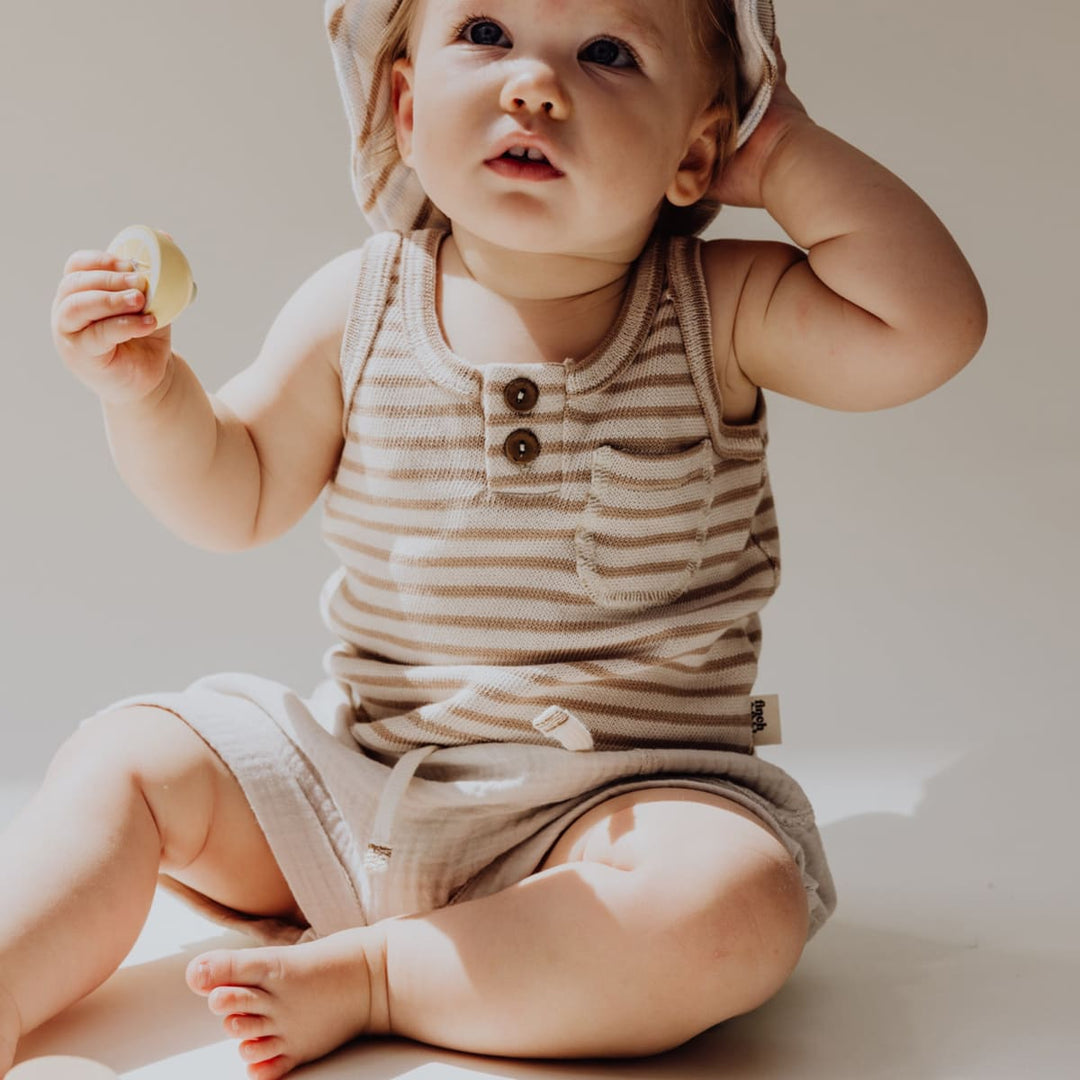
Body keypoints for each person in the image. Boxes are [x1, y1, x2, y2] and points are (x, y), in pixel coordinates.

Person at [7, 0, 986, 1076]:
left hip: (629, 805)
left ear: (697, 150)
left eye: (607, 53)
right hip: (373, 786)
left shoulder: (724, 308)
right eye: (483, 32)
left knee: (731, 907)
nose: (533, 84)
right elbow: (233, 494)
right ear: (405, 103)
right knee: (128, 758)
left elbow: (927, 328)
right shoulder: (358, 304)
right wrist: (148, 397)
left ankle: (385, 975)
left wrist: (790, 157)